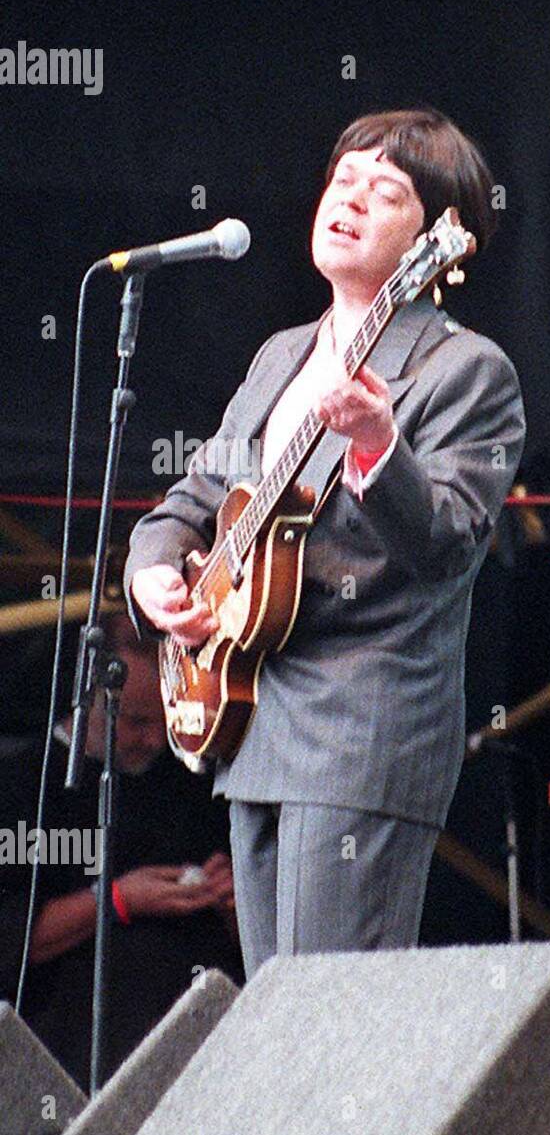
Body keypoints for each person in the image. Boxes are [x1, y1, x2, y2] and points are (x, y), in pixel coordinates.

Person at [125, 109, 525, 979]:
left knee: (326, 1026)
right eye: (343, 181)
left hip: (362, 730)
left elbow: (450, 543)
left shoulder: (467, 371)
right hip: (254, 718)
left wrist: (382, 444)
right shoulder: (281, 357)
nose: (350, 200)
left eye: (386, 193)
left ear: (438, 242)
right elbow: (194, 497)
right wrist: (154, 568)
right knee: (275, 1019)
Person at [0, 616, 240, 1090]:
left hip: (213, 1048)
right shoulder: (20, 785)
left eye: (165, 721)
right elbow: (10, 939)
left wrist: (234, 896)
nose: (155, 740)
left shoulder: (191, 781)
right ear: (87, 694)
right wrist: (116, 900)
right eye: (136, 721)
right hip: (82, 1057)